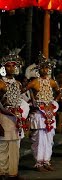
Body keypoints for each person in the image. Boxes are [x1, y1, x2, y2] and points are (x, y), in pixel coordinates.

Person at [24, 55, 60, 172]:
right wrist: (28, 106)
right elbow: (21, 93)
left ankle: (46, 161)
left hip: (50, 114)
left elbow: (60, 93)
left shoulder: (52, 82)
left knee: (49, 139)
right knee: (39, 139)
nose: (45, 70)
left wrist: (55, 103)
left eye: (47, 68)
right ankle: (39, 163)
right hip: (39, 114)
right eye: (43, 68)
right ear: (38, 69)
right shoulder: (34, 82)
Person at [0, 51, 30, 179]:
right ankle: (2, 172)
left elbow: (21, 102)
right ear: (3, 68)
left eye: (14, 66)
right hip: (3, 117)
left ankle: (13, 172)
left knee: (15, 146)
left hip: (16, 118)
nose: (12, 68)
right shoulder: (0, 83)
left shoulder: (18, 84)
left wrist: (24, 118)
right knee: (3, 146)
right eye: (8, 66)